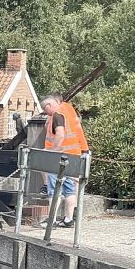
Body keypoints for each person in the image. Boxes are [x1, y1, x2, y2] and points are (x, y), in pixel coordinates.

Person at [39, 94, 89, 228]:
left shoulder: (57, 115)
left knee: (54, 190)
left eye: (44, 109)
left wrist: (52, 151)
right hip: (73, 155)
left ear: (49, 105)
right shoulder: (68, 110)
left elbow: (60, 134)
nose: (45, 113)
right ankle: (68, 219)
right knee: (70, 190)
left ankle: (51, 220)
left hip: (59, 158)